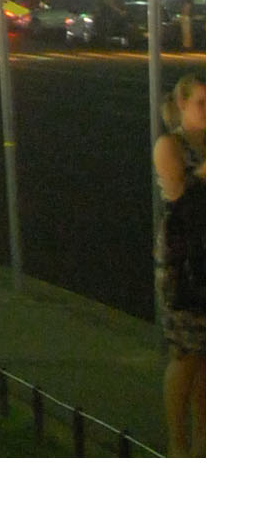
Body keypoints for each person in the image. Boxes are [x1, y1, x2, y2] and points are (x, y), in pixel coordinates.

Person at [154, 70, 205, 456]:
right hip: (186, 259)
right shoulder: (171, 145)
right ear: (183, 104)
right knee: (186, 355)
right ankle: (177, 444)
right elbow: (178, 195)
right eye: (202, 103)